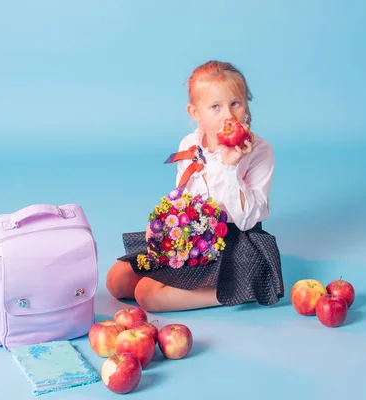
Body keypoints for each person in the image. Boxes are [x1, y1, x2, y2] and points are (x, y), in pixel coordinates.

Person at [106, 60, 284, 312]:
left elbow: (246, 221)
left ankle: (239, 290)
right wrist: (164, 226)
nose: (228, 115)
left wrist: (230, 166)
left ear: (246, 103)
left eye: (236, 103)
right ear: (195, 112)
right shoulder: (190, 144)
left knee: (147, 295)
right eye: (215, 106)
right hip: (196, 233)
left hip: (234, 241)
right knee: (117, 280)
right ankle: (204, 285)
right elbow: (186, 199)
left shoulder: (260, 151)